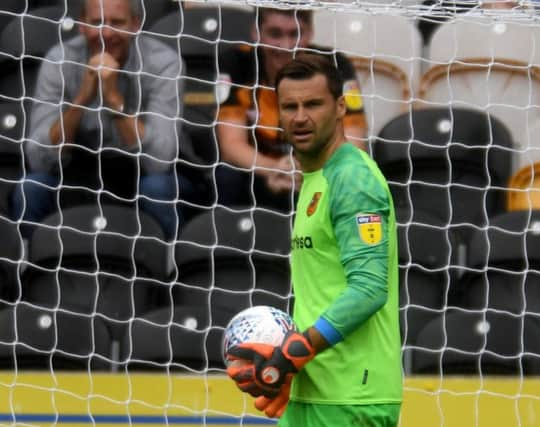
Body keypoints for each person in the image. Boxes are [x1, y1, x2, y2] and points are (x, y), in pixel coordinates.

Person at [226, 55, 402, 426]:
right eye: (290, 106)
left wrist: (295, 352)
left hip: (352, 396)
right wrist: (292, 367)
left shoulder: (352, 179)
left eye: (313, 104)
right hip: (315, 389)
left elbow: (370, 288)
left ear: (340, 107)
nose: (300, 116)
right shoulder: (317, 179)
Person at [14, 0, 192, 238]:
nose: (106, 33)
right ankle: (30, 270)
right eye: (97, 23)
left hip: (140, 173)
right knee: (31, 188)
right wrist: (81, 100)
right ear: (82, 25)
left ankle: (167, 268)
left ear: (136, 24)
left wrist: (113, 99)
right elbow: (37, 157)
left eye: (117, 23)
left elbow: (158, 161)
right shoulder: (59, 60)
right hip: (78, 169)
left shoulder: (165, 63)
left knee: (156, 188)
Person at [215, 6, 368, 211]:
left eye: (295, 34)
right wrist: (273, 169)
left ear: (310, 33)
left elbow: (354, 144)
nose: (286, 46)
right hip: (258, 170)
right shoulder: (236, 62)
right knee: (225, 175)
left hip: (319, 170)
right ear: (256, 32)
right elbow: (230, 145)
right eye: (275, 33)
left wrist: (308, 172)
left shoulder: (335, 65)